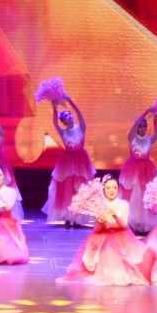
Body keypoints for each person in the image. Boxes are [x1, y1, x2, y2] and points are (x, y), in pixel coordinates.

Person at [58, 176, 157, 286]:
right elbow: (96, 228)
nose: (111, 190)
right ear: (104, 190)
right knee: (104, 254)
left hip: (120, 236)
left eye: (114, 187)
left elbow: (123, 224)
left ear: (118, 189)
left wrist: (115, 215)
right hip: (102, 237)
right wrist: (101, 222)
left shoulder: (123, 204)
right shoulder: (98, 205)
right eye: (108, 188)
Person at [41, 95, 95, 226]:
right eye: (65, 117)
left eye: (70, 115)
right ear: (63, 122)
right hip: (67, 162)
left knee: (80, 188)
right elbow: (55, 123)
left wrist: (70, 101)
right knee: (67, 188)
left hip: (81, 161)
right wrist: (54, 107)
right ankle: (68, 216)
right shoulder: (63, 132)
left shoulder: (81, 128)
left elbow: (79, 112)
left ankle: (79, 216)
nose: (69, 117)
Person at [120, 110, 157, 233]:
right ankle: (132, 222)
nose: (142, 128)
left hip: (146, 171)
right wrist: (146, 112)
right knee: (133, 195)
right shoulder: (132, 138)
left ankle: (143, 222)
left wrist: (155, 121)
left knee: (144, 195)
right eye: (140, 126)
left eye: (144, 126)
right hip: (133, 171)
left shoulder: (148, 140)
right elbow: (134, 128)